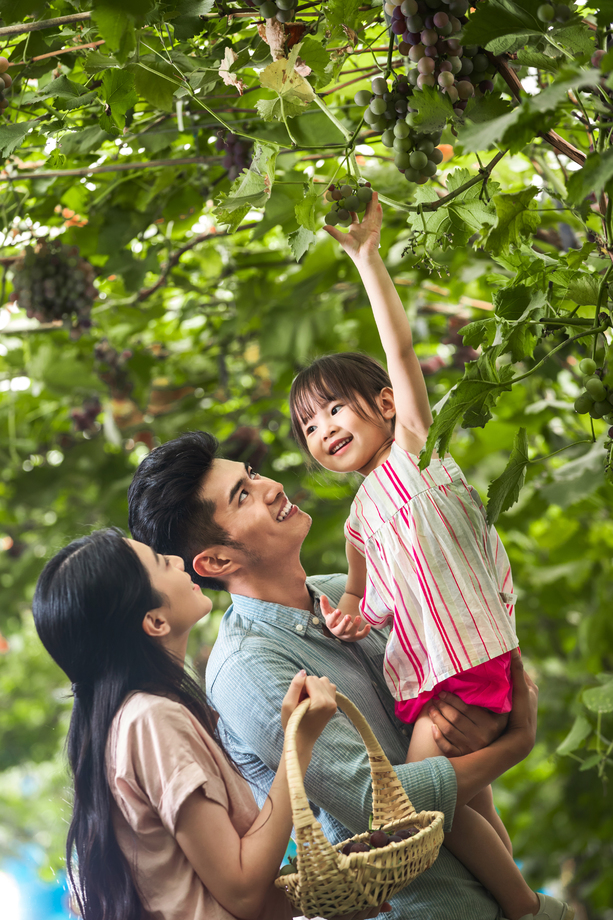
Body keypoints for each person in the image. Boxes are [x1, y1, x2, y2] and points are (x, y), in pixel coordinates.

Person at [286, 192, 573, 920]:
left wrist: (365, 256)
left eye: (334, 410)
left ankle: (523, 908)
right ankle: (524, 905)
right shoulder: (356, 518)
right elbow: (358, 596)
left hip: (465, 666)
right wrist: (349, 616)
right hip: (432, 673)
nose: (322, 430)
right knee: (463, 796)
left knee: (415, 807)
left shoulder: (414, 452)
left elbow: (401, 351)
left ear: (384, 405)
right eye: (309, 428)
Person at [128, 429, 542, 920]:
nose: (271, 486)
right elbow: (373, 801)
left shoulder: (340, 592)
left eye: (253, 475)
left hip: (493, 895)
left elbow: (448, 682)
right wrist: (512, 746)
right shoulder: (246, 666)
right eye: (243, 496)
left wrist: (481, 724)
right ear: (217, 560)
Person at [32, 527, 385, 920]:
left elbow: (211, 888)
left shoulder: (137, 718)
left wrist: (335, 895)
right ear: (155, 621)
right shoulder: (150, 718)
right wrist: (297, 745)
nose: (179, 561)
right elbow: (242, 891)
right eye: (162, 563)